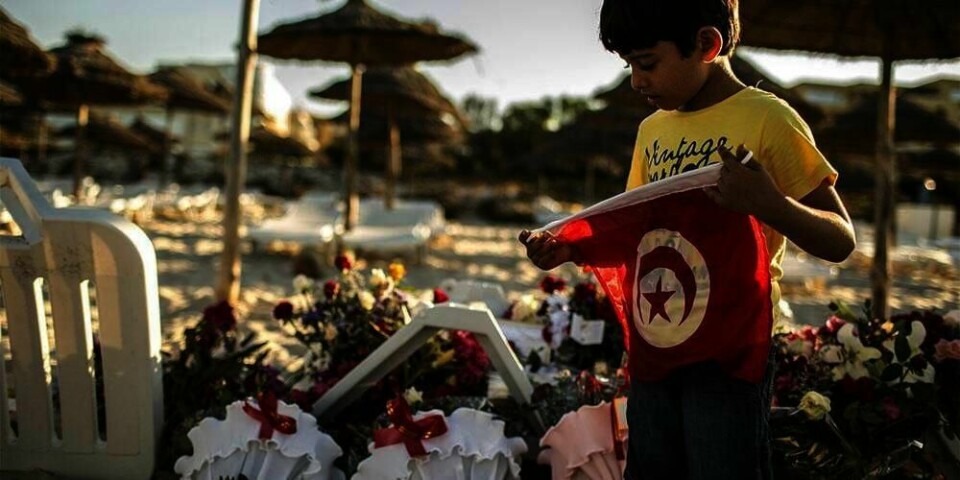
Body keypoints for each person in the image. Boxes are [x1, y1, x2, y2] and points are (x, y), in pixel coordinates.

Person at [518, 0, 856, 478]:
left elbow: (841, 240)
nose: (636, 80)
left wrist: (769, 203)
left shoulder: (768, 119)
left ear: (706, 44)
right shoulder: (651, 131)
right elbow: (639, 233)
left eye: (647, 63)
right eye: (628, 65)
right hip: (657, 347)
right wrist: (569, 249)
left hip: (731, 352)